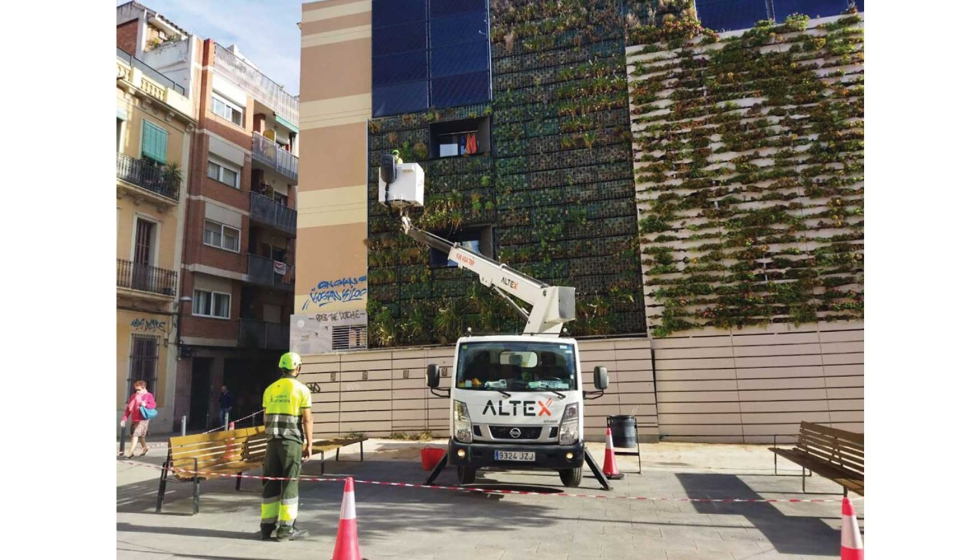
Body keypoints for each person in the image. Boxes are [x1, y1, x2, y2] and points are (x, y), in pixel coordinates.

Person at [260, 352, 313, 541]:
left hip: (272, 443)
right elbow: (307, 420)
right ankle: (286, 529)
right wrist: (309, 444)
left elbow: (265, 418)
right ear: (297, 368)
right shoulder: (302, 390)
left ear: (281, 368)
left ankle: (267, 528)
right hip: (291, 443)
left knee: (271, 483)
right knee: (290, 483)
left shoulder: (270, 389)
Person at [120, 381, 156, 458]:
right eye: (136, 389)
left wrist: (145, 404)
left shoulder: (148, 395)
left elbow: (153, 405)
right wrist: (124, 419)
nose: (137, 391)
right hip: (135, 418)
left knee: (135, 434)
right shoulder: (133, 396)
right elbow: (128, 409)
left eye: (139, 389)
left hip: (143, 418)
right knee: (141, 436)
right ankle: (145, 449)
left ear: (144, 388)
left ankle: (131, 452)